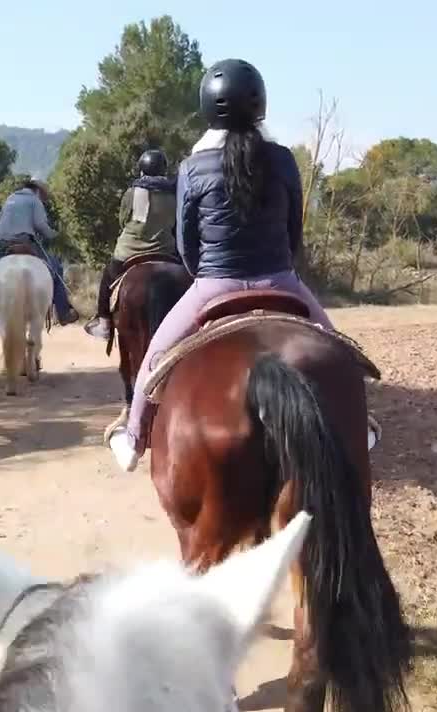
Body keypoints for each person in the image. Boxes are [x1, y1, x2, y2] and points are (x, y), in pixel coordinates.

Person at [106, 58, 337, 472]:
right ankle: (360, 422)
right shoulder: (283, 160)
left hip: (214, 285)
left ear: (208, 108)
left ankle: (134, 438)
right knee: (337, 351)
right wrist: (285, 269)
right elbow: (293, 231)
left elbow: (186, 244)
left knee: (154, 360)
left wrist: (203, 275)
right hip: (282, 281)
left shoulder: (192, 168)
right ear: (259, 104)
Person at [82, 149, 180, 340]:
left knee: (107, 278)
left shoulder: (132, 192)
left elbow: (122, 219)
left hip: (129, 251)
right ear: (163, 170)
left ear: (142, 171)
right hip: (165, 250)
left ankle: (104, 325)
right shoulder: (174, 192)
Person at [0, 177, 80, 332]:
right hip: (26, 242)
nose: (44, 198)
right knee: (56, 267)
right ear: (38, 190)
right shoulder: (34, 200)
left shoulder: (10, 199)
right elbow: (41, 226)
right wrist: (55, 235)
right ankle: (63, 313)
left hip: (4, 244)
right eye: (44, 195)